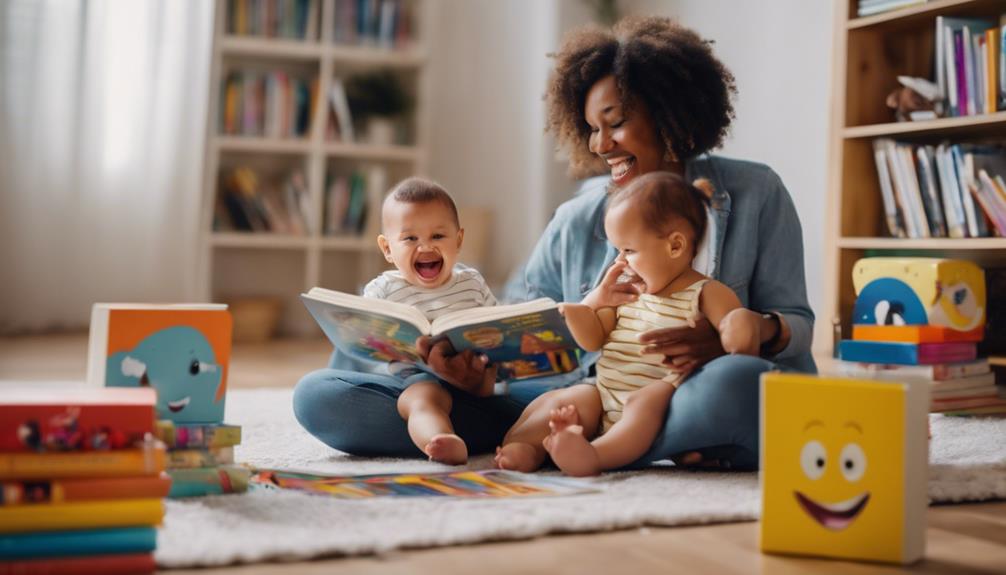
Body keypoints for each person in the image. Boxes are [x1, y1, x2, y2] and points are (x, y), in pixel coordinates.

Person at [292, 16, 815, 470]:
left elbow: (795, 325)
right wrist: (477, 376)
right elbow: (521, 329)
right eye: (591, 128)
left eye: (616, 124)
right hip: (578, 397)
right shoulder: (578, 216)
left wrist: (732, 339)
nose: (600, 144)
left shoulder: (755, 194)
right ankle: (640, 443)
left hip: (684, 391)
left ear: (671, 114)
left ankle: (602, 443)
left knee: (743, 384)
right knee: (322, 397)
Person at [496, 173, 762, 476]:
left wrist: (739, 323)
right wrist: (592, 302)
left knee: (647, 400)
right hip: (605, 391)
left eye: (629, 250)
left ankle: (594, 456)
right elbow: (592, 339)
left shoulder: (707, 292)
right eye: (617, 250)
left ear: (675, 246)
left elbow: (735, 341)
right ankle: (526, 447)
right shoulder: (627, 292)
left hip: (662, 398)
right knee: (569, 399)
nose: (619, 261)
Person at [362, 177, 497, 464]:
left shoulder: (471, 282)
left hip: (471, 379)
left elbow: (496, 328)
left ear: (458, 240)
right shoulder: (382, 290)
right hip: (415, 378)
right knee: (423, 397)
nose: (425, 247)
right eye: (410, 238)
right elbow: (366, 340)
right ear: (387, 249)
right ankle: (440, 440)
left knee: (491, 379)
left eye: (438, 236)